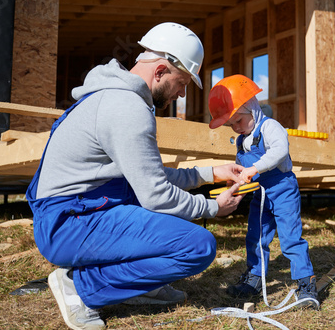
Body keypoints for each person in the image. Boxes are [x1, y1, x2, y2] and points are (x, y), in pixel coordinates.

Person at [26, 22, 246, 330]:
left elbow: (147, 175)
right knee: (198, 247)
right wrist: (212, 208)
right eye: (181, 82)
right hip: (68, 224)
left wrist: (210, 173)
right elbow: (156, 195)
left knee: (149, 207)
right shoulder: (127, 109)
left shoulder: (114, 97)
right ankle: (81, 287)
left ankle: (143, 283)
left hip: (78, 211)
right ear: (159, 72)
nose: (182, 94)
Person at [207, 74, 320, 309]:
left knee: (290, 237)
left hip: (282, 189)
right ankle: (254, 279)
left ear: (252, 109)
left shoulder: (269, 127)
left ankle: (305, 283)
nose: (236, 128)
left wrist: (254, 168)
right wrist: (235, 183)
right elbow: (243, 171)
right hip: (260, 194)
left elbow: (279, 151)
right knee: (256, 236)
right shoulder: (242, 140)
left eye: (238, 121)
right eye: (231, 124)